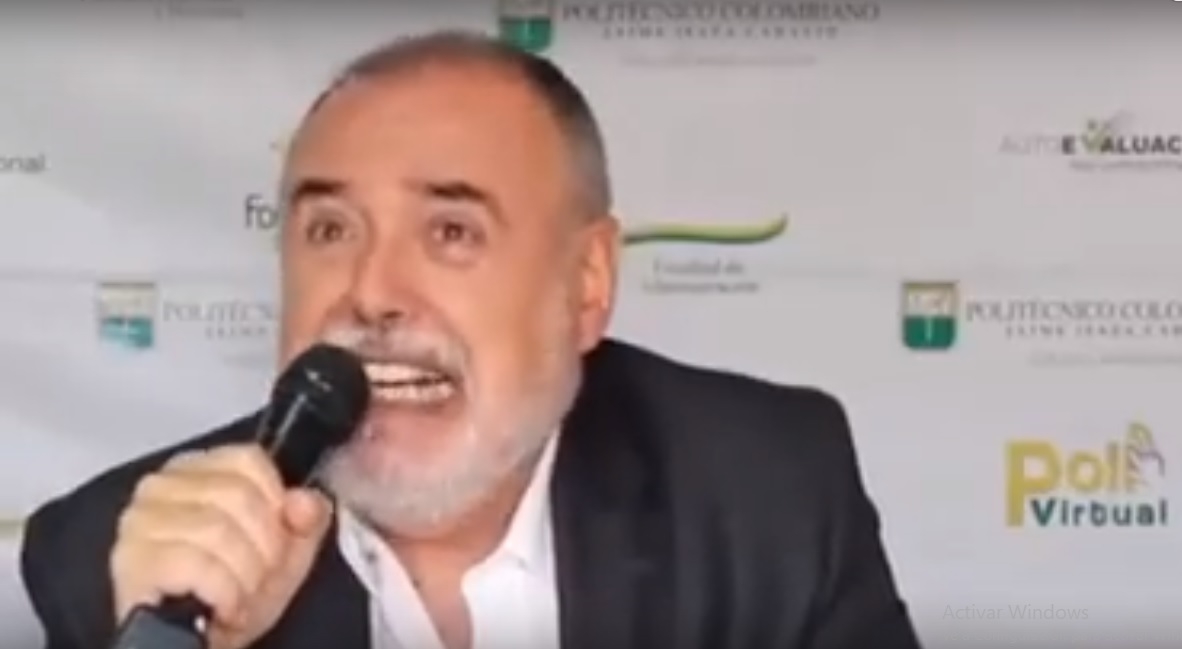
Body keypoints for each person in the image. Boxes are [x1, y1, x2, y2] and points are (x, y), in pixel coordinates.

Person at [19, 30, 921, 649]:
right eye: (330, 230)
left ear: (587, 283)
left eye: (451, 232)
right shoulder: (115, 562)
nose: (371, 292)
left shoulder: (767, 492)